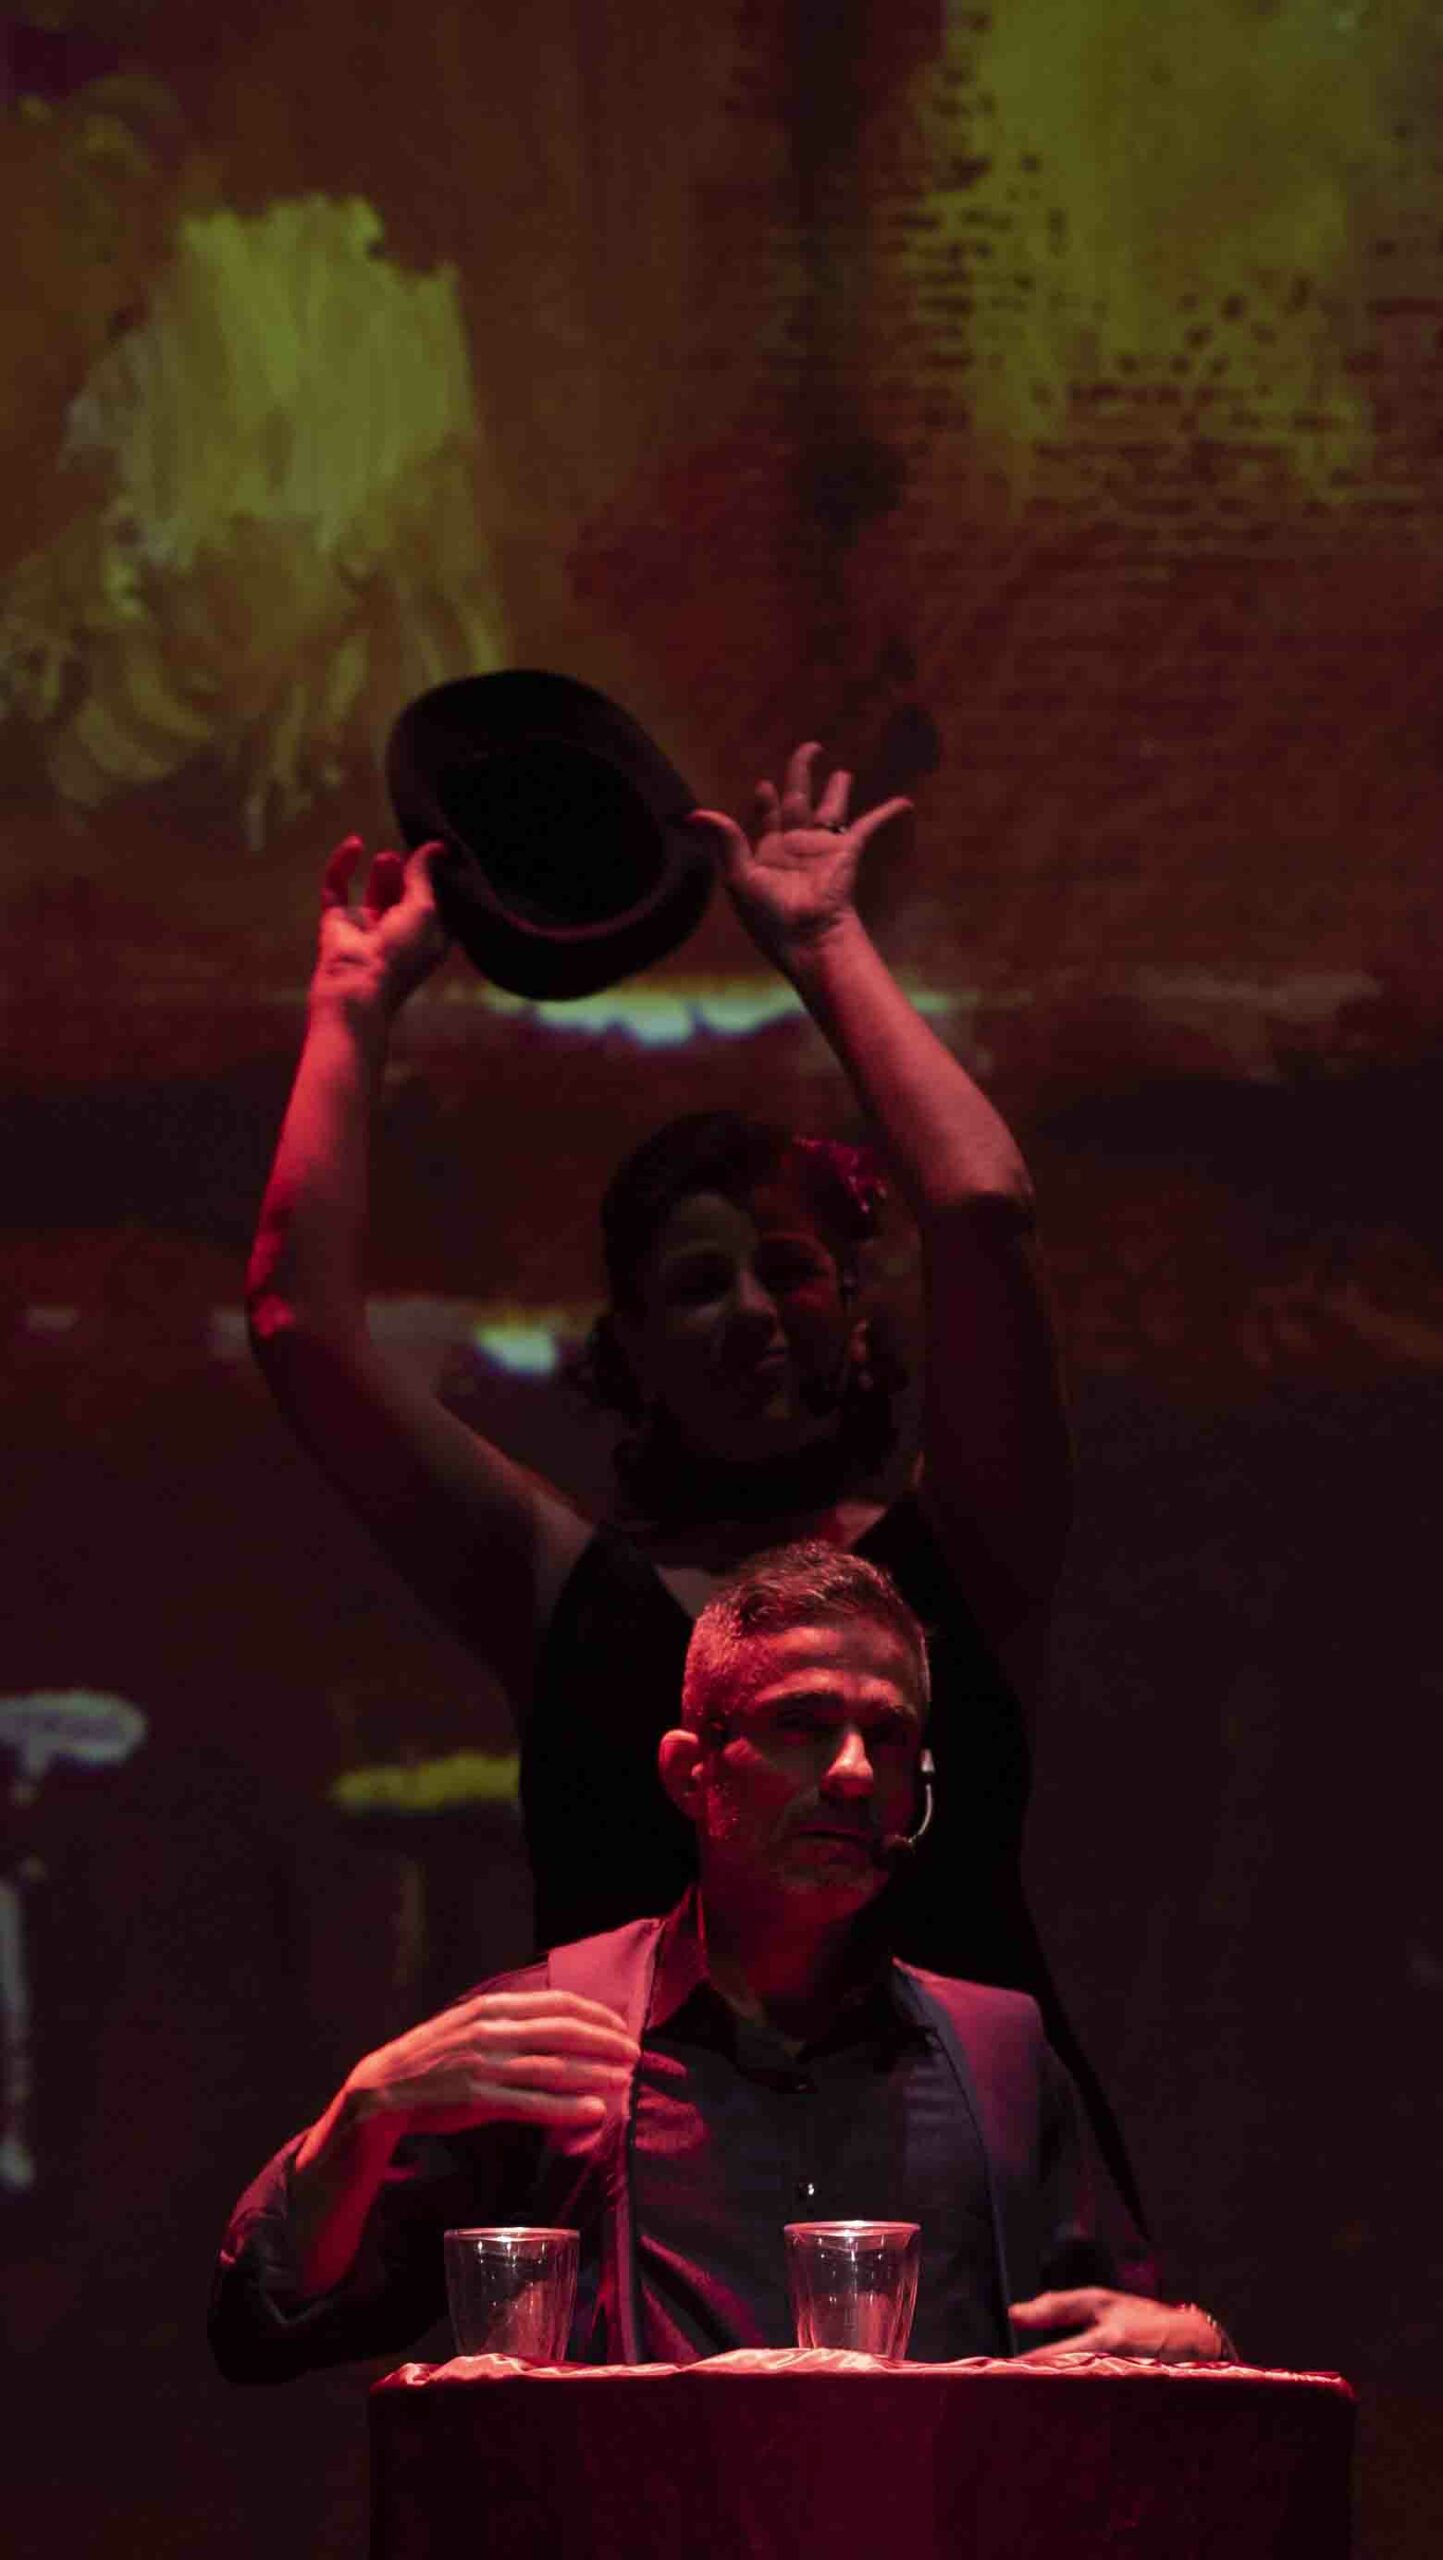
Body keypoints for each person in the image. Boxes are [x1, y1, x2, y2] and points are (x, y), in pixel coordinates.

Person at [247, 736, 1137, 2212]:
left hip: (957, 2190)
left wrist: (822, 942)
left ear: (857, 1312)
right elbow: (300, 1329)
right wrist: (351, 1003)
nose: (752, 1310)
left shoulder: (969, 1552)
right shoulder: (563, 1593)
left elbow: (980, 1205)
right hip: (648, 2210)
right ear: (634, 1350)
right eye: (696, 1283)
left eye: (788, 1267)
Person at [210, 1548, 1223, 2381]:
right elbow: (270, 2322)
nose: (852, 1771)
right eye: (802, 1725)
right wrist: (363, 2112)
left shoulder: (997, 2052)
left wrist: (1197, 2345)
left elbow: (1126, 2354)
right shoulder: (555, 2032)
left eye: (886, 1735)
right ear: (692, 1774)